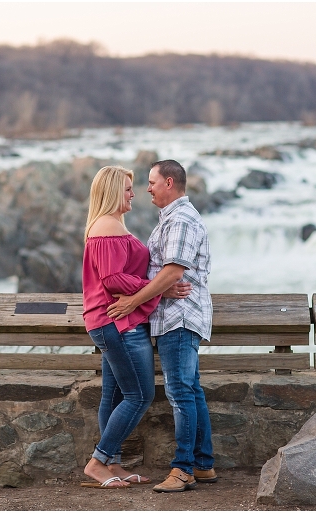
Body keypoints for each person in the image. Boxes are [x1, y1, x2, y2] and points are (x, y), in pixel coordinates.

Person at [107, 159, 216, 493]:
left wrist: (133, 300)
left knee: (180, 391)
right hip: (174, 316)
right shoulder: (172, 218)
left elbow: (173, 272)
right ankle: (203, 464)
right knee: (191, 389)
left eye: (152, 182)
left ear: (169, 183)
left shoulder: (181, 219)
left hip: (179, 317)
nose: (147, 188)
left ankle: (182, 469)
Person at [81, 165, 191, 489]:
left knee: (113, 395)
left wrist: (150, 287)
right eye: (128, 188)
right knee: (140, 394)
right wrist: (157, 286)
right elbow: (112, 279)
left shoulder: (109, 225)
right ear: (114, 191)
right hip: (118, 322)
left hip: (112, 320)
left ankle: (111, 464)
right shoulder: (106, 227)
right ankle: (99, 460)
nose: (134, 193)